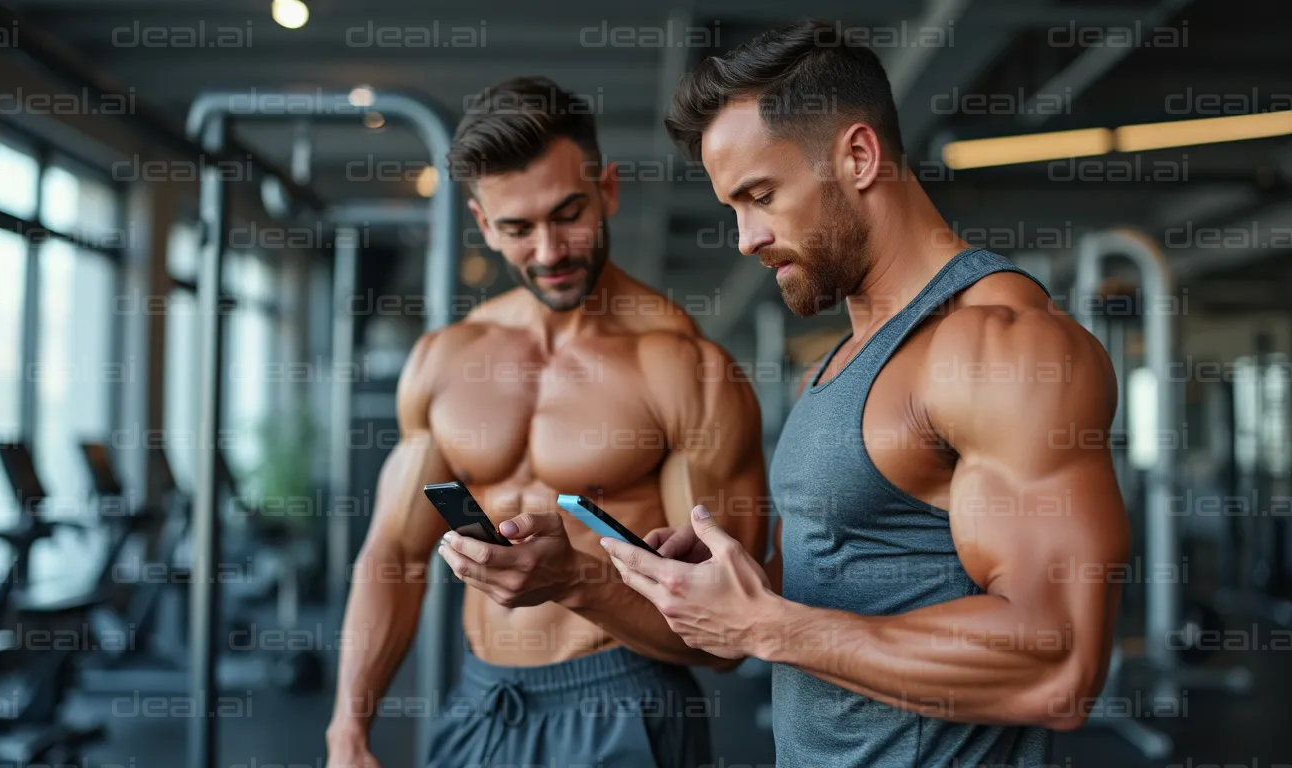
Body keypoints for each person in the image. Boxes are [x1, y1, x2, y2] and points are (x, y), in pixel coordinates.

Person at [601, 18, 1130, 768]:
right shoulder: (846, 355)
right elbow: (868, 575)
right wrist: (745, 585)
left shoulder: (1000, 345)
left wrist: (767, 627)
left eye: (761, 195)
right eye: (733, 209)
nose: (745, 238)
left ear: (857, 156)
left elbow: (1058, 662)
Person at [324, 76, 769, 768]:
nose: (549, 250)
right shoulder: (446, 360)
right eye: (517, 228)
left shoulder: (685, 370)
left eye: (568, 215)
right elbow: (395, 555)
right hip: (482, 700)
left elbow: (730, 634)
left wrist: (577, 581)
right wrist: (348, 730)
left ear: (608, 191)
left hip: (623, 701)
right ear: (481, 225)